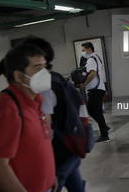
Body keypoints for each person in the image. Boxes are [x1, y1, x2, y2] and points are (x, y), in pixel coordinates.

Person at [0, 44, 57, 192]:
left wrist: (49, 176)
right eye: (37, 68)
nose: (45, 73)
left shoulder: (34, 100)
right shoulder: (8, 109)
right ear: (18, 76)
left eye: (44, 66)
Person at [23, 36, 87, 192]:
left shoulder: (44, 86)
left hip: (58, 154)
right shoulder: (59, 79)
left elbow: (46, 129)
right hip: (72, 146)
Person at [79, 41, 110, 143]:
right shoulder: (96, 57)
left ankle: (104, 136)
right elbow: (99, 68)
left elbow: (93, 73)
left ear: (89, 49)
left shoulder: (91, 59)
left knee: (96, 112)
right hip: (98, 89)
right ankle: (104, 127)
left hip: (95, 90)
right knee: (90, 110)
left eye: (83, 50)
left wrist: (85, 84)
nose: (83, 52)